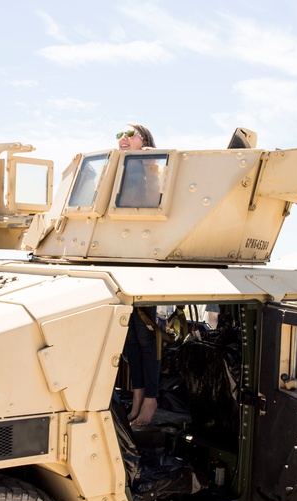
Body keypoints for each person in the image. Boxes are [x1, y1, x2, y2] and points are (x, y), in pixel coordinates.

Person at [117, 124, 161, 426]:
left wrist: (143, 157)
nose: (122, 138)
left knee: (147, 338)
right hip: (121, 257)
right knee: (130, 339)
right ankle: (137, 395)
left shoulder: (150, 165)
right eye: (118, 134)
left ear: (144, 140)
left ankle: (151, 400)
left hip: (146, 257)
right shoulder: (119, 169)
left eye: (129, 133)